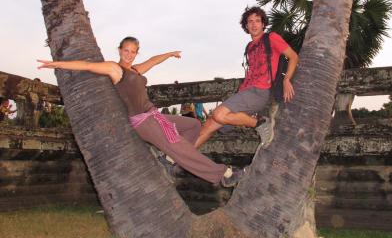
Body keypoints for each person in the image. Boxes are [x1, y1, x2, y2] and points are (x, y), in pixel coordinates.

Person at [37, 36, 245, 187]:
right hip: (143, 122)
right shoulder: (115, 69)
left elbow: (153, 61)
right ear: (120, 50)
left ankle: (168, 160)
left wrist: (170, 54)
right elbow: (87, 65)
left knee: (193, 125)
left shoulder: (135, 70)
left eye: (133, 51)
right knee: (180, 147)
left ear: (136, 53)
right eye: (125, 50)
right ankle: (224, 175)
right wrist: (56, 64)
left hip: (155, 116)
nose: (129, 54)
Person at [195, 6, 299, 149]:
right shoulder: (249, 46)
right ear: (246, 26)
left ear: (263, 24)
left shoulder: (272, 38)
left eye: (257, 21)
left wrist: (287, 79)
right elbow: (251, 73)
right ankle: (177, 158)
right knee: (208, 126)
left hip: (260, 91)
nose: (254, 24)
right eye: (250, 21)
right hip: (245, 93)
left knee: (218, 114)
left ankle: (260, 123)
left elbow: (293, 56)